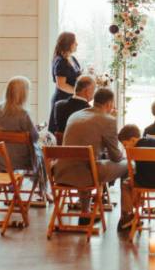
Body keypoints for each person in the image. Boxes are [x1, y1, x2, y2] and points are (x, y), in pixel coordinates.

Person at [53, 88, 128, 226]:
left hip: (61, 172)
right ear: (109, 104)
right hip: (87, 175)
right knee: (129, 166)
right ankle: (127, 216)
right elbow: (116, 157)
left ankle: (86, 212)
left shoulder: (75, 115)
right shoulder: (108, 120)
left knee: (86, 162)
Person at [0, 76, 47, 196]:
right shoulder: (23, 113)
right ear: (23, 93)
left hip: (2, 160)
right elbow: (34, 137)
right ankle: (43, 190)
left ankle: (14, 185)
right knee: (45, 151)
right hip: (22, 160)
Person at [118, 125, 155, 231]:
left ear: (132, 140)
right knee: (137, 178)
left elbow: (141, 172)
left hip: (147, 181)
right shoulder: (154, 140)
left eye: (125, 144)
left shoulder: (136, 150)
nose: (125, 148)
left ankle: (127, 216)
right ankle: (142, 205)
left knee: (126, 183)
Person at [48, 32, 82, 134]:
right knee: (61, 133)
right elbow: (61, 85)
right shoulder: (60, 61)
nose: (77, 44)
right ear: (68, 44)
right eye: (74, 42)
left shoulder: (72, 58)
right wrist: (77, 93)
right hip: (62, 100)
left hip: (71, 100)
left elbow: (76, 76)